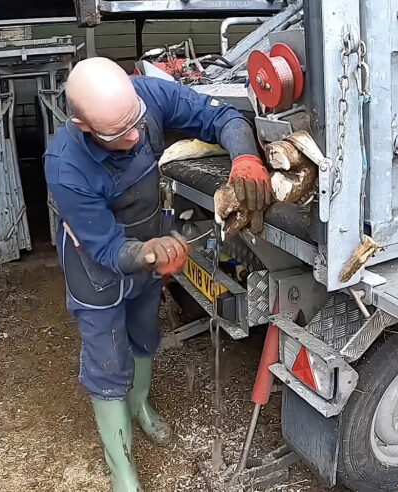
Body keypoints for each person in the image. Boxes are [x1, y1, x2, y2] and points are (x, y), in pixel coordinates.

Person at [44, 57, 272, 492]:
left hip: (152, 235)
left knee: (144, 332)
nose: (135, 137)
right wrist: (148, 253)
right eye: (118, 134)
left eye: (137, 123)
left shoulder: (147, 95)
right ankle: (123, 472)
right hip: (96, 263)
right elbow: (107, 247)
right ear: (83, 124)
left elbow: (220, 114)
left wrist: (245, 156)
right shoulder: (64, 163)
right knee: (107, 359)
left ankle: (141, 406)